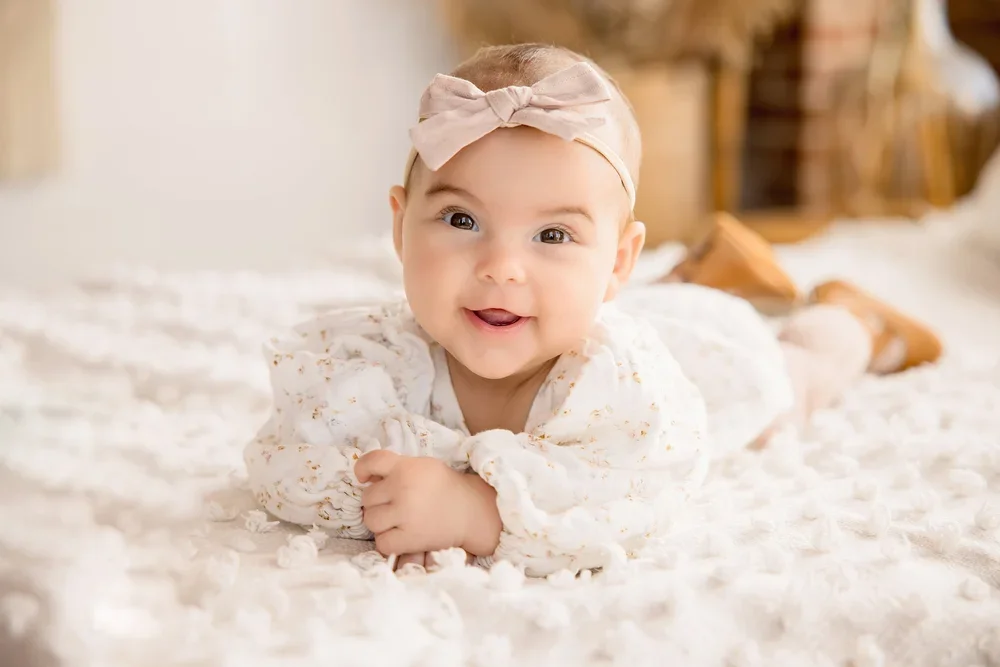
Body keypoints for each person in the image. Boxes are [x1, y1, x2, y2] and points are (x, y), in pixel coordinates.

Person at [243, 43, 942, 577]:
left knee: (789, 385)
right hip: (626, 305)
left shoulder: (632, 392)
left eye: (552, 234)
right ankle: (702, 272)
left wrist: (482, 511)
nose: (500, 266)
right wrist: (371, 482)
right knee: (639, 304)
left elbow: (635, 505)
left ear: (616, 262)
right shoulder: (370, 355)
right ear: (398, 228)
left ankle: (853, 321)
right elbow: (284, 459)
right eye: (461, 219)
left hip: (702, 357)